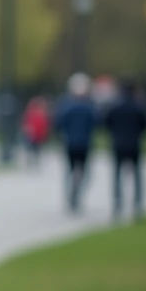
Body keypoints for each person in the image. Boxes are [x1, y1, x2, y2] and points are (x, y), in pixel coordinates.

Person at [104, 80, 146, 220]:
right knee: (136, 175)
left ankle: (118, 203)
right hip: (134, 144)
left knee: (117, 175)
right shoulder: (138, 106)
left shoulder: (115, 106)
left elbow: (107, 122)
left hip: (118, 144)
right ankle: (137, 204)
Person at [54, 72, 99, 213]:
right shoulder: (89, 106)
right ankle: (75, 196)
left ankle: (71, 196)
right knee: (83, 172)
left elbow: (58, 123)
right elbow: (97, 123)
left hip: (71, 143)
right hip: (83, 144)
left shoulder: (66, 105)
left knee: (70, 171)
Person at [21, 96, 51, 168]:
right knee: (31, 147)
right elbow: (26, 122)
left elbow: (45, 124)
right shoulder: (32, 112)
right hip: (32, 133)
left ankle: (35, 160)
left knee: (36, 148)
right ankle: (31, 160)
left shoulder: (42, 113)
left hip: (38, 134)